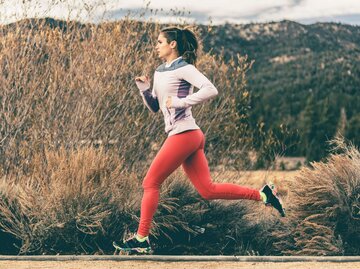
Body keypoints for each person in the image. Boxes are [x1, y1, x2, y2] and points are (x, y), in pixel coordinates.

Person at [113, 26, 285, 255]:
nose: (156, 45)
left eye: (160, 41)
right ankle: (264, 195)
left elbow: (210, 89)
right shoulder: (159, 71)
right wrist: (144, 88)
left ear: (172, 44)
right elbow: (156, 107)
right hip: (187, 135)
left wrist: (182, 102)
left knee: (150, 183)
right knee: (208, 190)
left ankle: (142, 238)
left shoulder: (184, 68)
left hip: (184, 134)